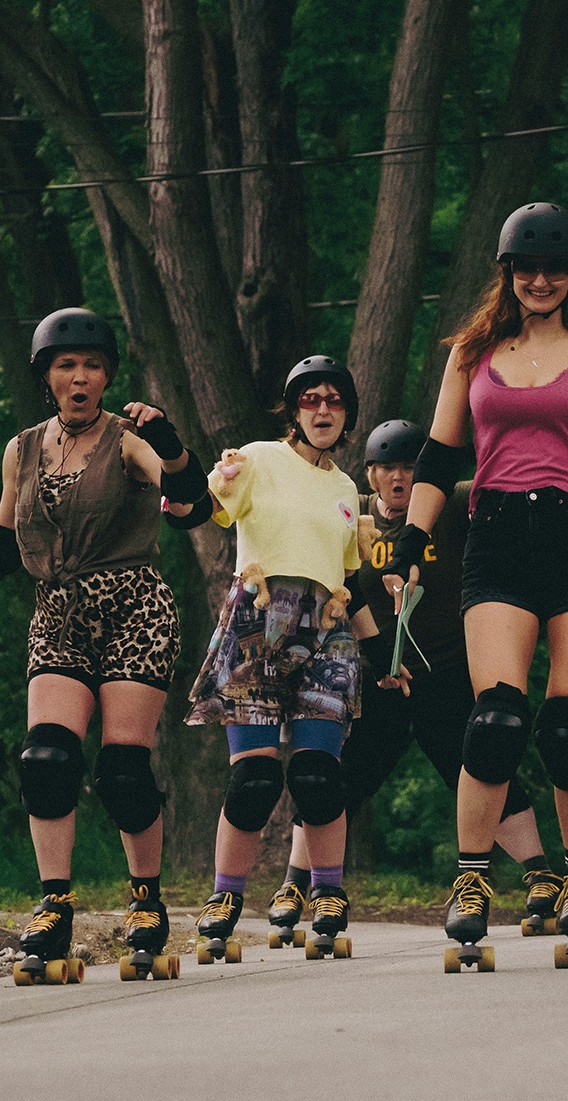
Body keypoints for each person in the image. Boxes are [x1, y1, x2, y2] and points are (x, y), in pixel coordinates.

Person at [386, 202, 568, 967]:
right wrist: (411, 541)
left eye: (554, 270)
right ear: (507, 273)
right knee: (496, 720)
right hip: (498, 539)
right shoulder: (471, 352)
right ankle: (472, 881)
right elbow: (439, 456)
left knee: (567, 728)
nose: (540, 281)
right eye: (527, 269)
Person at [0, 307, 209, 982]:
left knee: (122, 771)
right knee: (46, 760)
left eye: (93, 366)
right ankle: (55, 906)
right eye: (66, 366)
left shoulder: (129, 440)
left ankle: (145, 901)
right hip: (58, 614)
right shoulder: (21, 449)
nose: (80, 378)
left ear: (107, 375)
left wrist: (169, 444)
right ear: (46, 376)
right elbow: (4, 543)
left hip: (135, 609)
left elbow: (189, 498)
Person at [267, 419, 551, 941]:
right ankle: (295, 883)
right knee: (336, 775)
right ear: (369, 474)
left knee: (478, 767)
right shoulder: (349, 509)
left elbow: (502, 482)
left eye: (409, 468)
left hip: (448, 672)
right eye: (387, 468)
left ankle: (541, 878)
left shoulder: (452, 504)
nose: (399, 479)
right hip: (377, 675)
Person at [185, 356, 372, 961]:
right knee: (255, 780)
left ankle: (328, 895)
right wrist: (188, 482)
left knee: (318, 775)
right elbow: (204, 508)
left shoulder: (347, 490)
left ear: (347, 415)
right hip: (258, 627)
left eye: (334, 400)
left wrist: (385, 657)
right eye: (311, 399)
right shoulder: (258, 458)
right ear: (294, 410)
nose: (323, 409)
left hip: (326, 633)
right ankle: (225, 898)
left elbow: (349, 581)